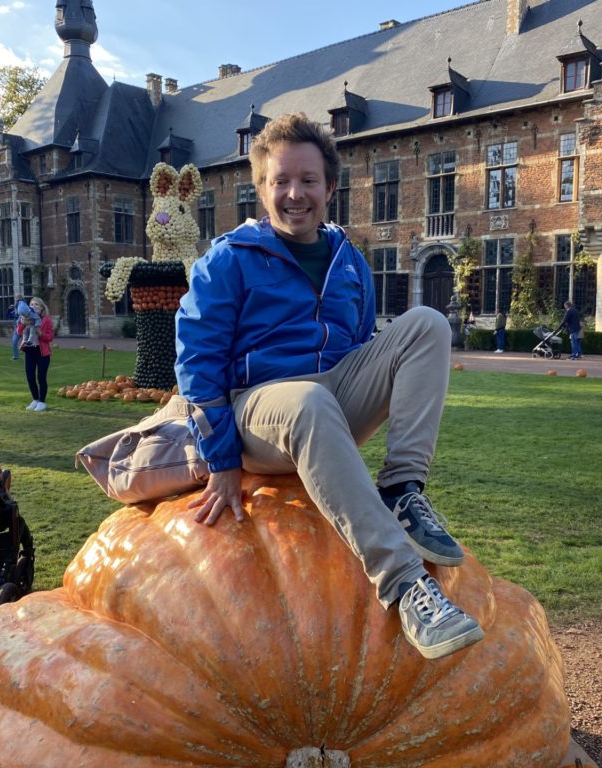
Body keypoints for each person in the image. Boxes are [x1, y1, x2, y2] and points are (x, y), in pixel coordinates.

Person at [175, 112, 481, 660]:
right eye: (280, 181)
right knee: (308, 400)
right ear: (262, 189)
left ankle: (402, 489)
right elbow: (198, 364)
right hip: (259, 413)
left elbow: (362, 348)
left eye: (308, 181)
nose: (295, 194)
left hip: (329, 400)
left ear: (330, 188)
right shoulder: (226, 261)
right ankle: (406, 585)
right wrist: (221, 462)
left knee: (428, 324)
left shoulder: (349, 262)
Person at [19, 297, 54, 412]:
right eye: (32, 304)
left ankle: (42, 402)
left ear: (42, 308)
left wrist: (40, 333)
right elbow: (18, 332)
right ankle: (35, 399)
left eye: (36, 305)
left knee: (41, 377)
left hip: (42, 352)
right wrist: (23, 324)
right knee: (30, 377)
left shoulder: (46, 320)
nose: (33, 306)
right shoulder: (25, 318)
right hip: (29, 351)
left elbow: (49, 337)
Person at [8, 295, 24, 361]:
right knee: (14, 342)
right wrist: (9, 309)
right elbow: (9, 315)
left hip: (25, 328)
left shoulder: (24, 308)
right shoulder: (16, 311)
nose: (17, 302)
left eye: (18, 300)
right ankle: (16, 356)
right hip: (17, 329)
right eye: (17, 300)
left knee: (30, 343)